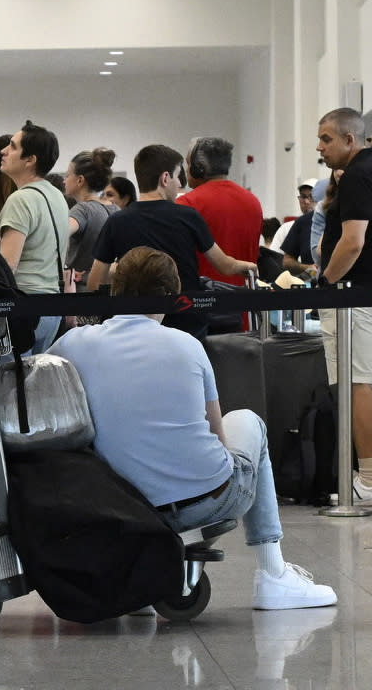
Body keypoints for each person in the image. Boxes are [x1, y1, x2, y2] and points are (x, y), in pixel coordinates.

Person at [51, 248, 340, 611]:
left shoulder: (76, 344)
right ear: (173, 295)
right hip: (203, 501)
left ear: (116, 288)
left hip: (124, 504)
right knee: (250, 422)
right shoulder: (188, 347)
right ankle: (273, 572)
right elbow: (218, 438)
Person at [311, 108, 372, 505]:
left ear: (350, 139)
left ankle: (367, 477)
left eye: (326, 139)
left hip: (355, 296)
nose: (320, 147)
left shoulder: (356, 177)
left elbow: (353, 241)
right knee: (367, 385)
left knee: (355, 387)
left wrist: (326, 281)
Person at [86, 143, 257, 328]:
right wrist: (248, 267)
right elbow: (225, 265)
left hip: (136, 323)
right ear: (165, 178)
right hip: (186, 321)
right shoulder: (188, 216)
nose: (180, 183)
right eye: (177, 176)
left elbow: (95, 283)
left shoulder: (116, 221)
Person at [0, 122, 70, 351]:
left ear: (30, 160)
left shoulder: (21, 199)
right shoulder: (56, 196)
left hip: (24, 308)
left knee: (9, 385)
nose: (3, 151)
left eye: (12, 147)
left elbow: (7, 266)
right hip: (51, 307)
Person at [180, 136, 264, 284]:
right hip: (245, 301)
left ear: (198, 168)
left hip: (202, 301)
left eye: (188, 164)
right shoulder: (253, 202)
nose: (186, 170)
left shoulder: (186, 203)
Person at [61, 148, 116, 284]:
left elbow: (57, 235)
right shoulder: (116, 209)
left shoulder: (82, 210)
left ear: (80, 180)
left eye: (67, 175)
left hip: (82, 291)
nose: (64, 181)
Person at [276, 183, 319, 268]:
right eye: (303, 197)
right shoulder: (288, 227)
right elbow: (281, 260)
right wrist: (306, 268)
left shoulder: (337, 222)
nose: (307, 202)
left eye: (311, 196)